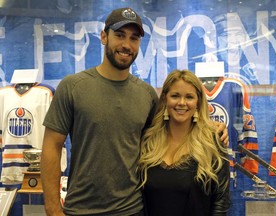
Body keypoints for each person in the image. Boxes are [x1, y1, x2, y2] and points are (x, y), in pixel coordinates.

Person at [40, 8, 229, 216]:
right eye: (119, 35)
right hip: (81, 209)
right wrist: (53, 209)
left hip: (132, 210)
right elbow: (52, 146)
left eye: (134, 38)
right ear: (104, 36)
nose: (126, 45)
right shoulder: (72, 87)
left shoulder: (146, 95)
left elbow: (171, 127)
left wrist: (210, 127)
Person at [138, 69, 231, 216]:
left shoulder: (213, 143)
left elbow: (221, 202)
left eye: (189, 97)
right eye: (175, 96)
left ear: (198, 102)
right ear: (165, 99)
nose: (182, 103)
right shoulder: (147, 141)